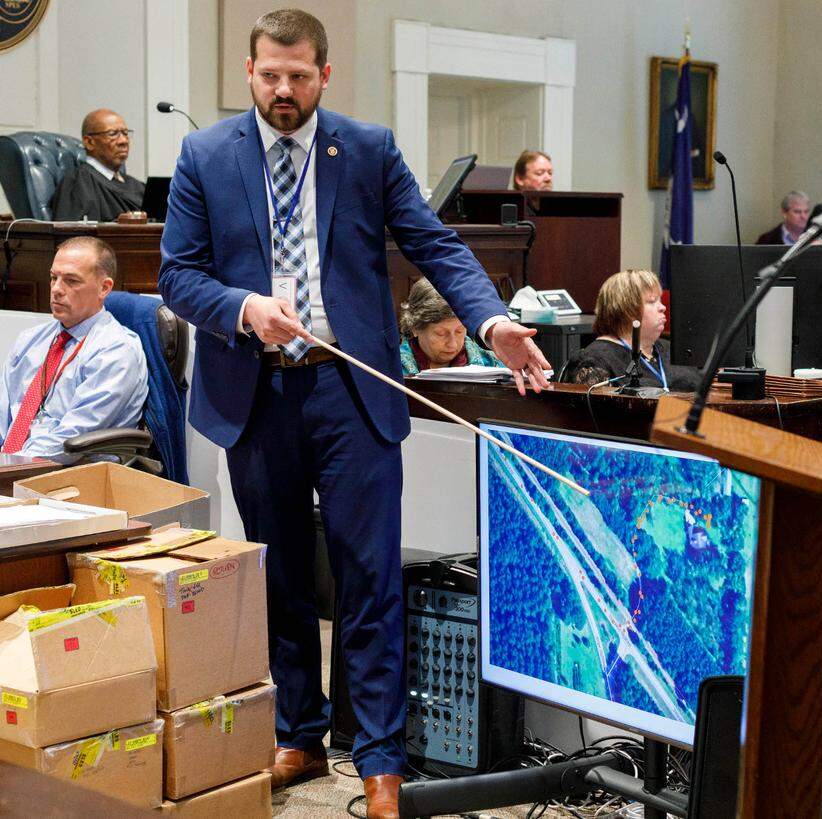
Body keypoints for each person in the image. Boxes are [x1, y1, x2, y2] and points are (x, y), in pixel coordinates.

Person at [156, 10, 549, 819]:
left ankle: (379, 761)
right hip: (255, 389)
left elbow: (435, 243)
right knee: (284, 575)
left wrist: (492, 321)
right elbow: (177, 277)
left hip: (349, 386)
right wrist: (242, 308)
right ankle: (298, 734)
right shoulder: (204, 155)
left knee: (368, 577)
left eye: (299, 76)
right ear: (249, 70)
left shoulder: (366, 149)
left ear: (324, 76)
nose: (284, 90)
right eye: (270, 75)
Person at [0, 237, 147, 458]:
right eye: (53, 278)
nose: (56, 289)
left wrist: (10, 465)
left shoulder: (115, 351)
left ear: (104, 288)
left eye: (71, 281)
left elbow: (72, 439)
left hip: (67, 473)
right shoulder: (31, 339)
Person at [564, 269, 699, 391]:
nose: (662, 307)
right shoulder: (593, 360)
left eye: (660, 300)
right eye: (652, 301)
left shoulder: (674, 350)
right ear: (626, 309)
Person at [51, 109, 145, 221]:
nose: (123, 141)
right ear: (89, 142)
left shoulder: (137, 185)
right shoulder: (79, 182)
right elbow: (78, 234)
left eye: (125, 133)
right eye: (113, 134)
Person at [398, 278, 503, 374]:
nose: (452, 344)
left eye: (459, 331)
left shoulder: (490, 362)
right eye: (441, 334)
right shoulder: (393, 367)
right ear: (415, 327)